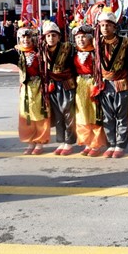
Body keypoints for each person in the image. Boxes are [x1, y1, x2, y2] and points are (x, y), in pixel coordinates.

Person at [0, 26, 50, 155]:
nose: (26, 40)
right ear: (19, 39)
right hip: (26, 88)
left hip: (40, 87)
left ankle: (40, 141)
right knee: (27, 115)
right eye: (23, 37)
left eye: (28, 37)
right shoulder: (17, 53)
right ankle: (30, 141)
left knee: (40, 115)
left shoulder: (41, 50)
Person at [95, 7, 128, 158]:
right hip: (104, 83)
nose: (105, 28)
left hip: (121, 82)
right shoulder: (97, 43)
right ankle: (111, 143)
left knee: (122, 116)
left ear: (114, 27)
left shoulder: (126, 42)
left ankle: (120, 145)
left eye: (108, 25)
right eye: (102, 25)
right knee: (107, 116)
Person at [41, 20, 77, 156]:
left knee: (68, 113)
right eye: (48, 36)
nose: (51, 38)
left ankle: (69, 142)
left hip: (67, 84)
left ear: (59, 37)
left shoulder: (68, 48)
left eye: (54, 35)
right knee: (57, 115)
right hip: (52, 86)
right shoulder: (42, 49)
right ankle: (61, 141)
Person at [72, 24, 106, 157]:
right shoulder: (74, 53)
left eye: (84, 37)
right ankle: (87, 143)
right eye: (78, 37)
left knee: (94, 115)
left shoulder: (96, 52)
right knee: (82, 115)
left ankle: (96, 144)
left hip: (93, 83)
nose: (81, 40)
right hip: (80, 84)